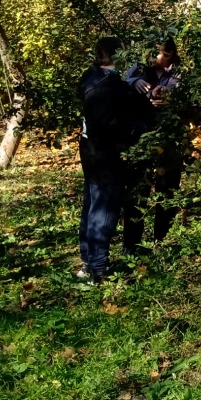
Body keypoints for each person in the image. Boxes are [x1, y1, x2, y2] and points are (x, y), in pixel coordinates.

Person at [78, 36, 139, 283]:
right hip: (106, 155)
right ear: (118, 55)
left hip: (90, 151)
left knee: (92, 204)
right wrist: (136, 128)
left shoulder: (90, 77)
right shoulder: (108, 85)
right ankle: (98, 268)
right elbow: (110, 124)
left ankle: (88, 259)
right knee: (103, 210)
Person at [124, 37, 186, 254]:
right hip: (141, 139)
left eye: (156, 52)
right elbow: (123, 84)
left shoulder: (182, 72)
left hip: (169, 140)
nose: (151, 57)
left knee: (167, 192)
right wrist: (135, 83)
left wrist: (172, 100)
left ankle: (163, 244)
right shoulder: (140, 66)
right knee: (137, 192)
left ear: (168, 55)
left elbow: (192, 101)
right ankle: (132, 246)